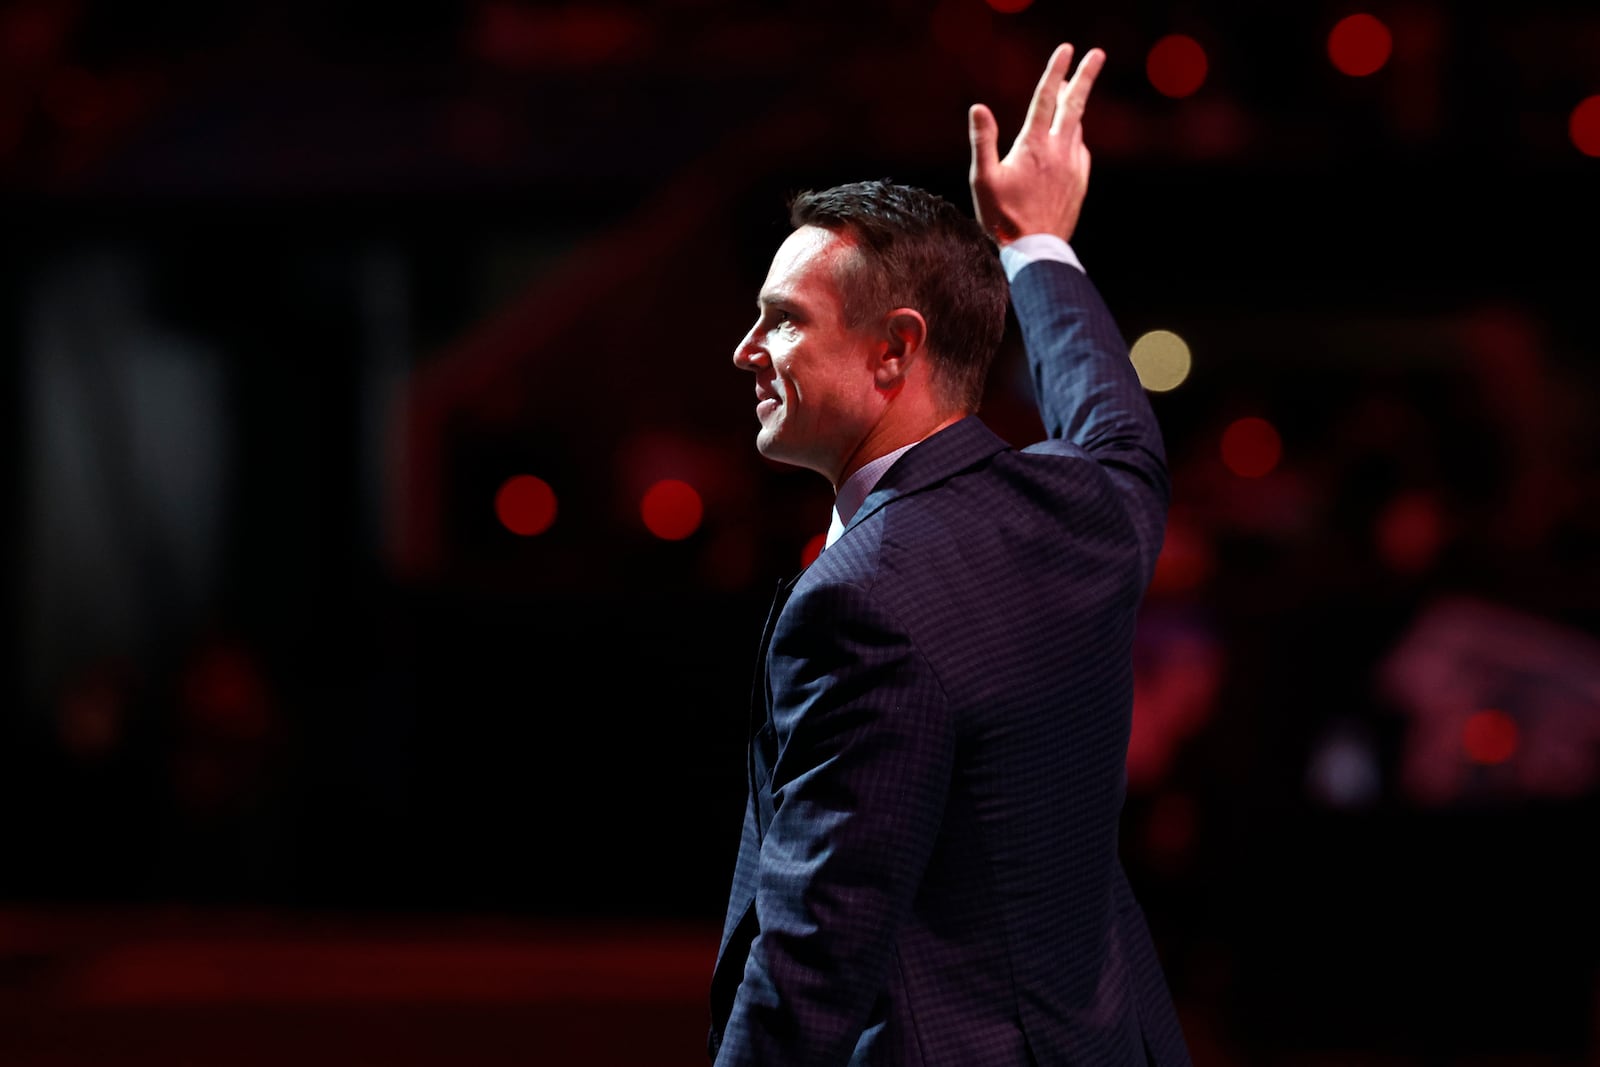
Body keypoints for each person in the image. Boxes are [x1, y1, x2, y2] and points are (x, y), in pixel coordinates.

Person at [708, 43, 1192, 1066]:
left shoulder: (861, 600)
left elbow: (814, 950)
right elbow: (1119, 429)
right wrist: (1037, 244)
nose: (745, 348)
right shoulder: (1083, 508)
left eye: (783, 320)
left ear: (894, 349)